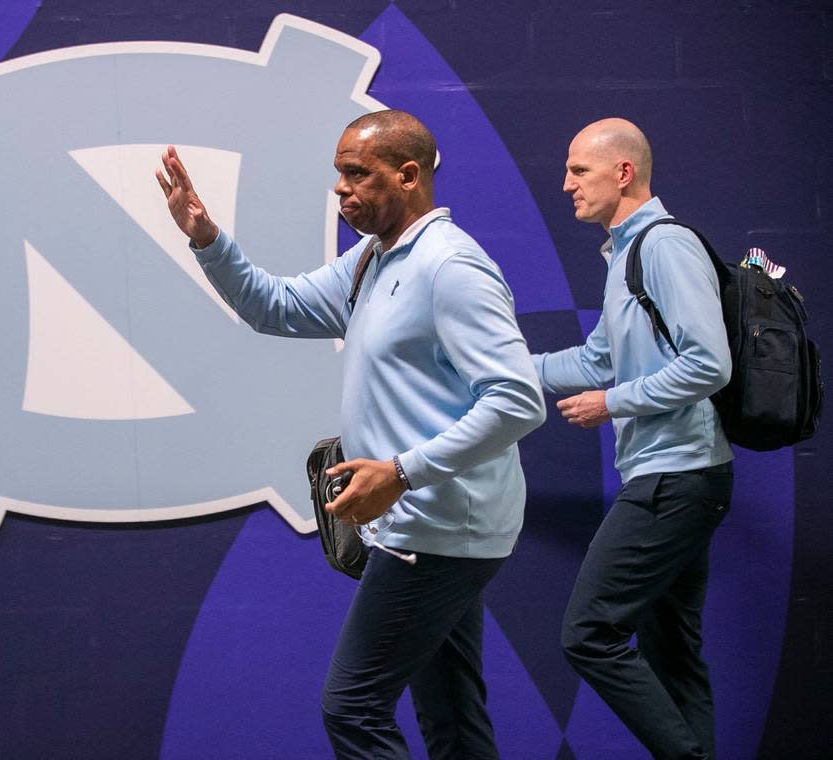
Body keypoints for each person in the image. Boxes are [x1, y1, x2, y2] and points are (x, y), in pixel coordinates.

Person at [156, 110, 545, 759]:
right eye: (339, 175)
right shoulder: (372, 261)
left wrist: (399, 472)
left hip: (437, 529)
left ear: (409, 175)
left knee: (353, 708)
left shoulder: (450, 269)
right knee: (451, 715)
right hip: (431, 526)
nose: (341, 189)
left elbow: (517, 400)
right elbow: (272, 306)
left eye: (357, 174)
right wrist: (206, 238)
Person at [534, 117, 733, 759]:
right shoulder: (623, 255)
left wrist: (613, 404)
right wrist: (500, 369)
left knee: (588, 632)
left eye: (578, 170)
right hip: (675, 476)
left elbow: (710, 363)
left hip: (676, 478)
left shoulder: (664, 246)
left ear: (624, 173)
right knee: (673, 655)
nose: (565, 184)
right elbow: (598, 359)